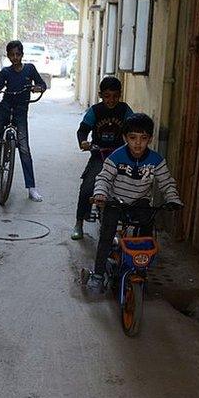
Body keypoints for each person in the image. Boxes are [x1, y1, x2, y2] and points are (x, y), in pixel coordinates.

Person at [86, 113, 183, 292]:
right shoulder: (116, 157)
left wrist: (172, 199)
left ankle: (140, 268)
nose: (138, 143)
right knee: (106, 236)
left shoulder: (156, 161)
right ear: (125, 138)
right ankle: (98, 274)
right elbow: (104, 178)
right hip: (116, 201)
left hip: (140, 201)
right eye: (132, 138)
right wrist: (100, 194)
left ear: (150, 139)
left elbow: (166, 182)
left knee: (145, 234)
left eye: (143, 138)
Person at [0, 40, 48, 201]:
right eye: (12, 55)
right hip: (4, 109)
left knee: (24, 149)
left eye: (17, 54)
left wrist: (37, 88)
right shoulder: (5, 72)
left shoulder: (30, 69)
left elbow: (42, 84)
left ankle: (31, 188)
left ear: (22, 55)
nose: (15, 57)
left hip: (20, 112)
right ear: (8, 56)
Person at [72, 76, 134, 240]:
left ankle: (122, 223)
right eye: (107, 96)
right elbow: (82, 130)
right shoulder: (96, 110)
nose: (111, 100)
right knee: (87, 187)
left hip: (120, 156)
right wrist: (84, 142)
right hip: (99, 155)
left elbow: (134, 127)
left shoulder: (124, 110)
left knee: (129, 188)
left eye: (115, 96)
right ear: (101, 95)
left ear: (120, 95)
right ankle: (79, 222)